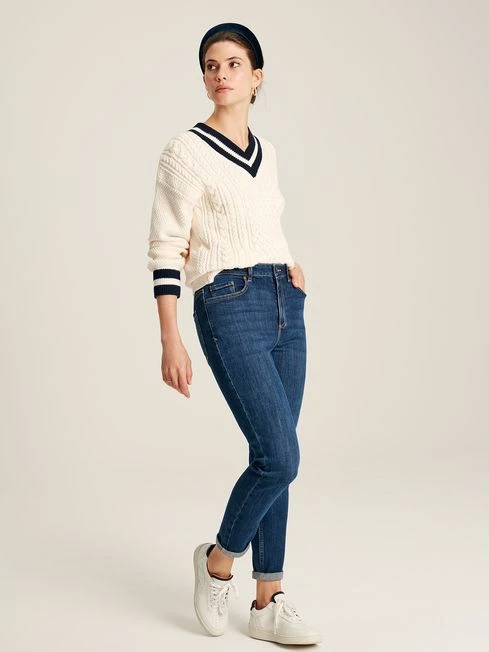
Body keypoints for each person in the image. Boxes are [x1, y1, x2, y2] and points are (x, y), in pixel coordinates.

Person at [147, 22, 322, 646]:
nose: (220, 74)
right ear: (205, 79)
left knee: (276, 455)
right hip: (228, 302)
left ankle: (268, 599)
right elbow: (167, 244)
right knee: (281, 456)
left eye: (233, 64)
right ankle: (218, 562)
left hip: (284, 302)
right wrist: (170, 337)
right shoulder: (185, 150)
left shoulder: (266, 151)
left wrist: (290, 264)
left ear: (256, 76)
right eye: (211, 65)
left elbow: (260, 221)